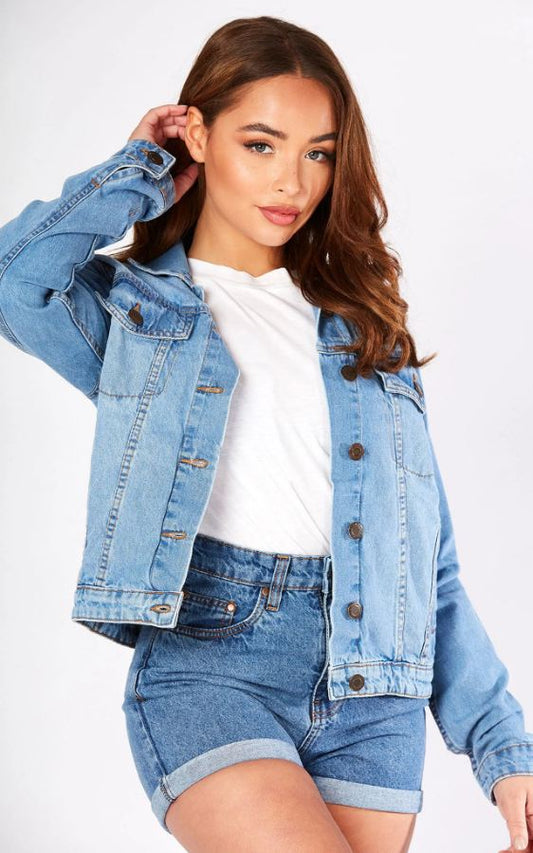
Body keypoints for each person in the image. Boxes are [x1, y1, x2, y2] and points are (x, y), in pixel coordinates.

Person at [1, 14, 532, 853]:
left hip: (375, 689)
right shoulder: (138, 313)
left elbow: (427, 570)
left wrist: (503, 748)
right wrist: (139, 170)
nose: (292, 181)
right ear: (198, 136)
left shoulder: (368, 334)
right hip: (214, 660)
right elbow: (14, 278)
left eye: (318, 153)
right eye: (260, 144)